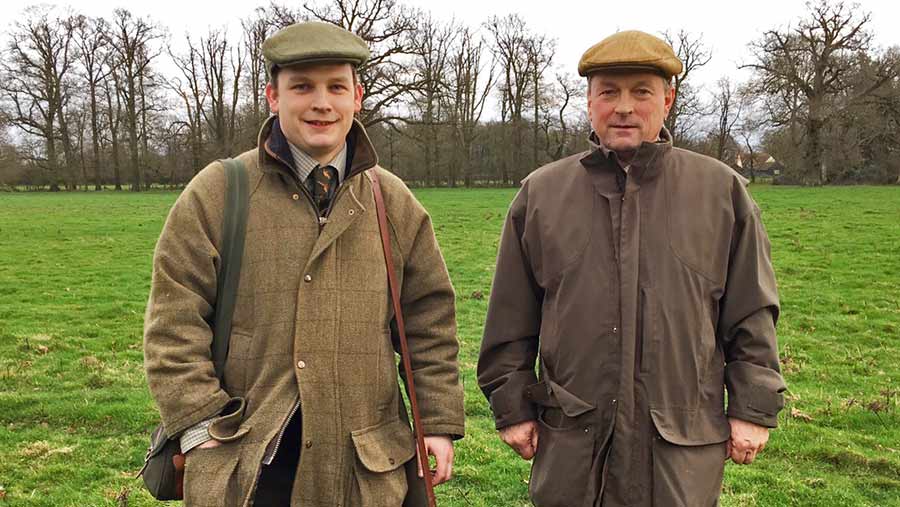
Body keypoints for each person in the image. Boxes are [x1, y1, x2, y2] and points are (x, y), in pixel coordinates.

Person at [143, 21, 464, 507]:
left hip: (365, 469)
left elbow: (429, 322)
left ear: (357, 98)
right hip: (246, 464)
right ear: (273, 96)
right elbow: (174, 322)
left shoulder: (392, 201)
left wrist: (436, 423)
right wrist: (201, 425)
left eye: (336, 86)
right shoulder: (218, 192)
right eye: (302, 87)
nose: (322, 103)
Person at [477, 30, 786, 507]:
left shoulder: (720, 193)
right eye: (609, 92)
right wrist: (512, 407)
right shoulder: (541, 195)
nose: (624, 107)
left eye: (641, 91)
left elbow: (751, 313)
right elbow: (510, 317)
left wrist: (753, 407)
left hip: (678, 448)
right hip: (574, 446)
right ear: (589, 101)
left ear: (668, 99)